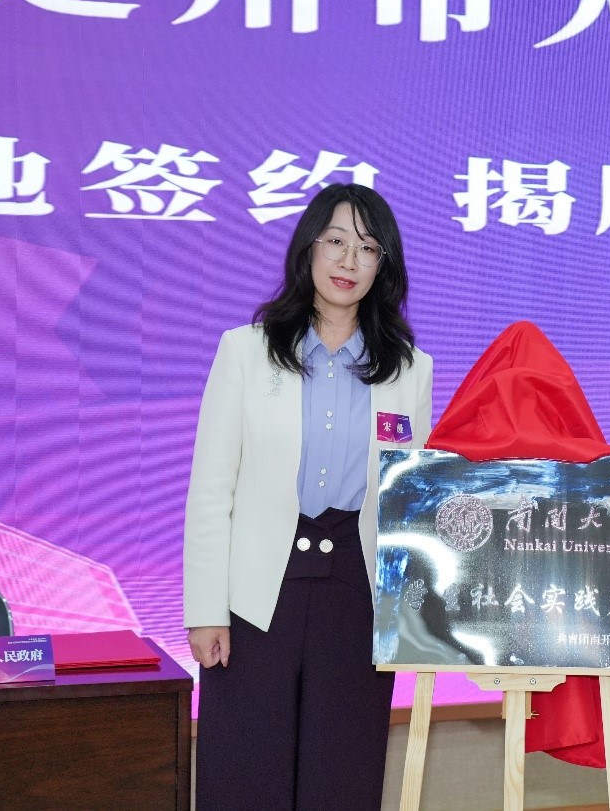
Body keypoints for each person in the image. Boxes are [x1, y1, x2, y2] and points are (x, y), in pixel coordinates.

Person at [183, 183, 433, 809]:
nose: (349, 261)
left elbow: (410, 501)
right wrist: (206, 608)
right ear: (308, 249)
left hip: (356, 590)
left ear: (383, 265)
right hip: (258, 591)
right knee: (245, 773)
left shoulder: (409, 368)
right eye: (336, 242)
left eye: (368, 248)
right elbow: (211, 489)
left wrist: (412, 620)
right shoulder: (246, 351)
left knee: (342, 774)